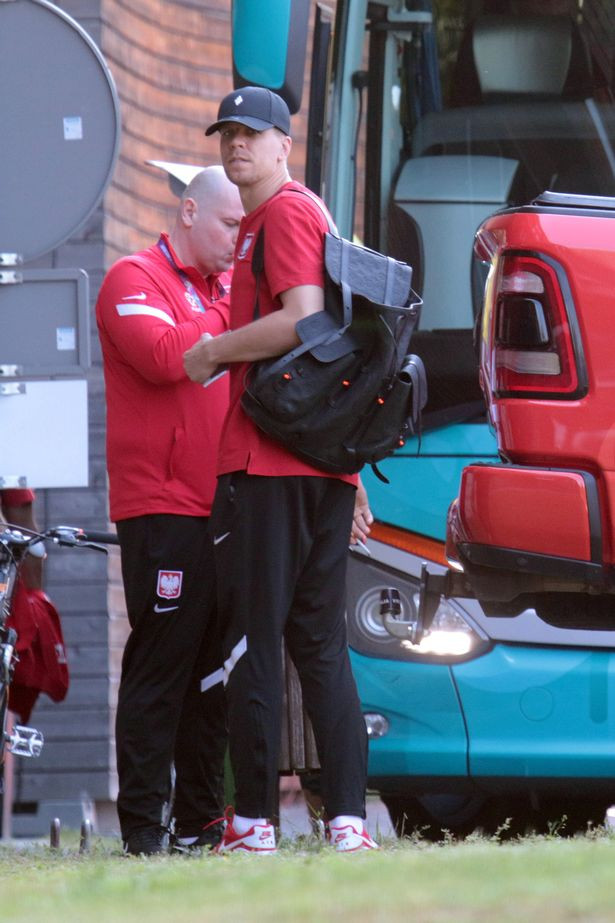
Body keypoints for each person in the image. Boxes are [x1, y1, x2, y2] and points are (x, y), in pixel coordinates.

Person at [184, 87, 377, 854]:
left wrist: (211, 351)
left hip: (270, 465)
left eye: (252, 134)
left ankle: (257, 822)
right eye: (228, 133)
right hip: (316, 464)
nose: (237, 145)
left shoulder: (286, 214)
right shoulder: (294, 216)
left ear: (282, 146)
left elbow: (301, 315)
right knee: (317, 643)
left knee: (258, 645)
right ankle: (347, 821)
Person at [95, 165, 243, 856]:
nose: (237, 238)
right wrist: (233, 312)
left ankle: (199, 822)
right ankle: (144, 830)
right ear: (189, 212)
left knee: (210, 672)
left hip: (219, 506)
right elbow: (164, 356)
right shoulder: (131, 279)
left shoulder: (217, 291)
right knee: (161, 666)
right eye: (228, 224)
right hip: (160, 507)